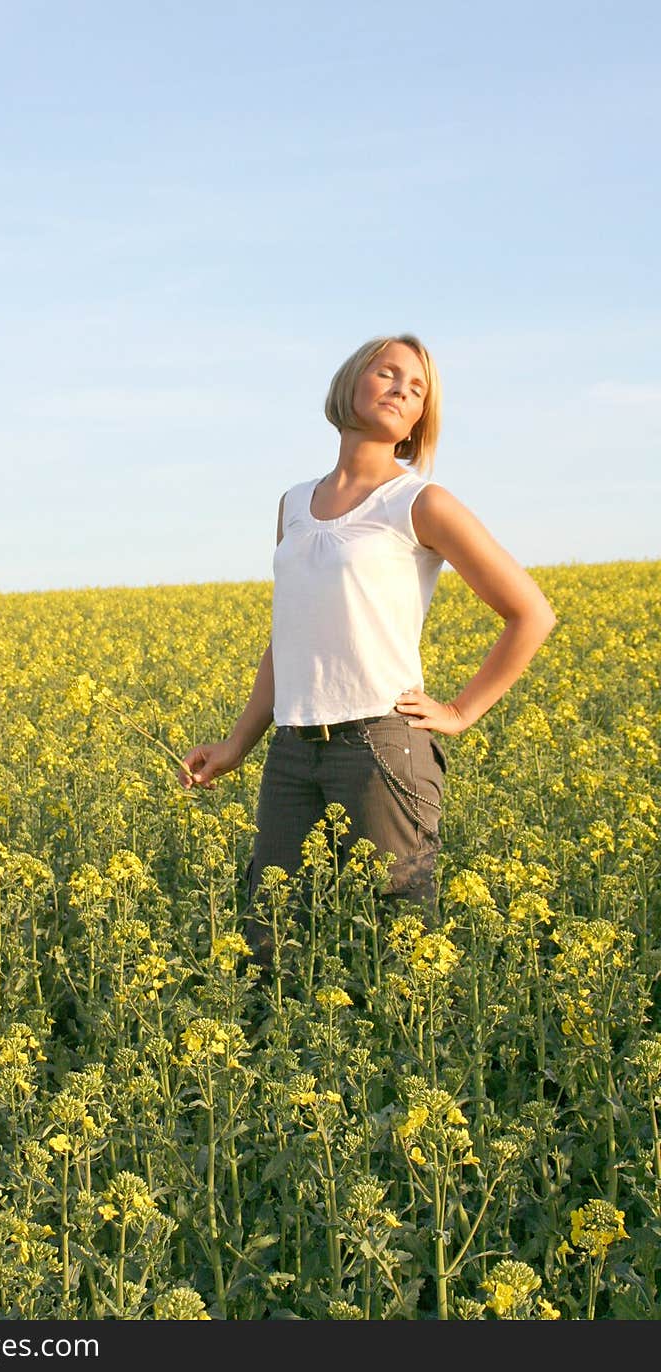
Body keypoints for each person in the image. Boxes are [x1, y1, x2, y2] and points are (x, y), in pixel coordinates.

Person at [177, 334, 557, 968]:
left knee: (402, 943)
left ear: (417, 422)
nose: (401, 391)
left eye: (416, 391)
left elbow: (531, 613)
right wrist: (237, 743)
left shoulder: (419, 502)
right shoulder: (294, 503)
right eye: (389, 374)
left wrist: (462, 712)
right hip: (293, 751)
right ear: (352, 382)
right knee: (267, 939)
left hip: (382, 746)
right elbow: (288, 636)